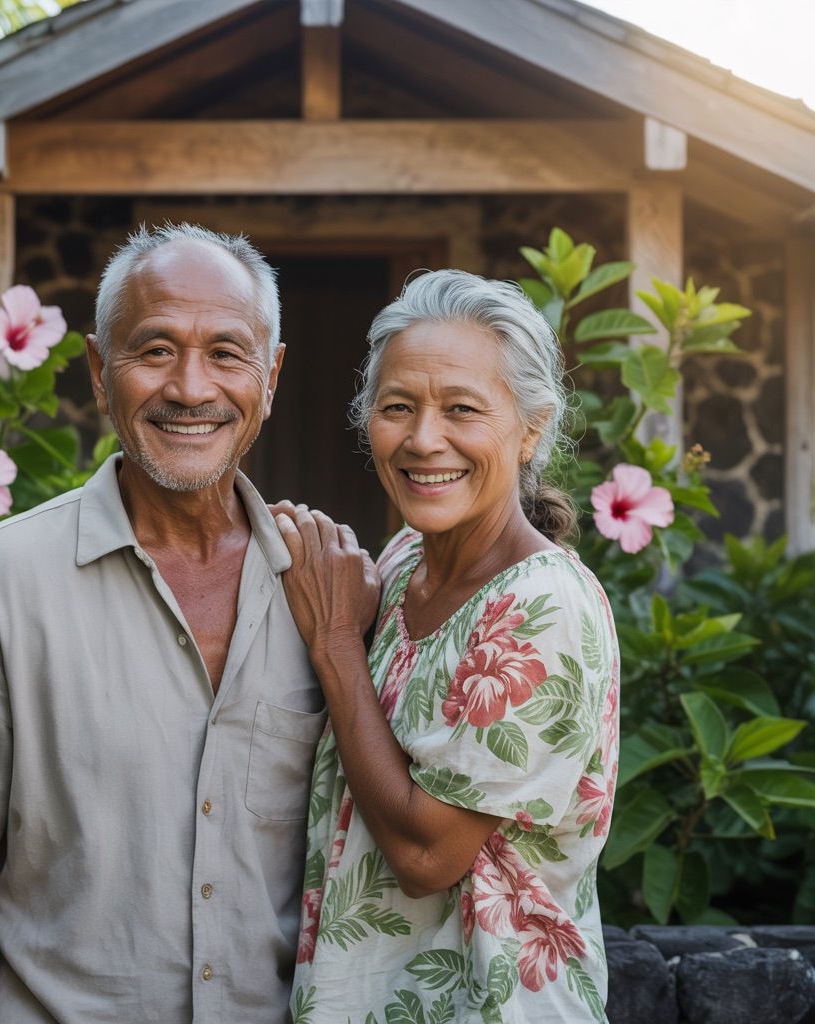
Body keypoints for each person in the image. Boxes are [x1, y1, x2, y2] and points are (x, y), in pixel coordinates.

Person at [0, 223, 327, 1024]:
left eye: (226, 352)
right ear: (96, 371)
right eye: (153, 350)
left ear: (271, 376)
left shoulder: (327, 585)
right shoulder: (2, 579)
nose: (190, 387)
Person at [275, 271, 619, 1023]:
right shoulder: (404, 561)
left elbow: (428, 857)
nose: (423, 438)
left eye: (461, 409)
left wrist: (335, 643)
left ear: (530, 428)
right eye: (397, 407)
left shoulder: (542, 607)